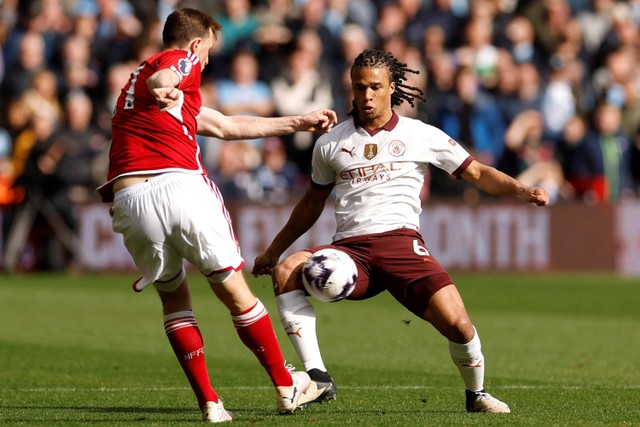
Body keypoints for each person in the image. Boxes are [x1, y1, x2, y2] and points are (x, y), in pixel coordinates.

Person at [252, 49, 549, 414]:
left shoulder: (420, 134)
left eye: (375, 87)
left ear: (392, 87)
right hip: (351, 253)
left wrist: (522, 190)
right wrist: (274, 250)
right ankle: (317, 377)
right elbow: (311, 205)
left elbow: (477, 173)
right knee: (287, 272)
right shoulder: (330, 143)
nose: (367, 96)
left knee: (458, 325)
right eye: (359, 88)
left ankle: (477, 395)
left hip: (402, 246)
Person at [97, 8, 337, 423]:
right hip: (178, 185)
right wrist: (167, 86)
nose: (207, 61)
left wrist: (298, 121)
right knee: (234, 291)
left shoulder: (134, 83)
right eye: (208, 50)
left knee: (174, 297)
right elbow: (169, 75)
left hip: (129, 198)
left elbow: (225, 126)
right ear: (195, 43)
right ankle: (286, 386)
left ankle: (210, 403)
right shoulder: (176, 63)